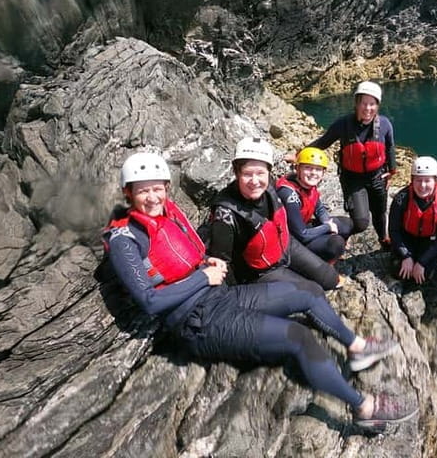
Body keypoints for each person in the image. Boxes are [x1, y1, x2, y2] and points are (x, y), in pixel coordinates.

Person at [103, 151, 418, 431]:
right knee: (299, 337)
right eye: (144, 191)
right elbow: (149, 301)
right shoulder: (126, 240)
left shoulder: (167, 213)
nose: (153, 197)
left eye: (158, 188)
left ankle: (357, 346)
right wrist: (204, 278)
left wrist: (207, 263)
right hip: (196, 324)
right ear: (128, 193)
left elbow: (185, 250)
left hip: (219, 297)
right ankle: (364, 408)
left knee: (307, 294)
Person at [203, 137, 339, 290]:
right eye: (247, 174)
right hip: (259, 272)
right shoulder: (225, 214)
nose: (255, 181)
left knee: (330, 279)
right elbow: (221, 265)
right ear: (236, 172)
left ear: (269, 171)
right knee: (313, 291)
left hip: (285, 246)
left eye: (260, 173)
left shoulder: (270, 185)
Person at [307, 81, 396, 249]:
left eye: (372, 104)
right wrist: (300, 155)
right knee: (361, 222)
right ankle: (336, 230)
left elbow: (390, 147)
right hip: (353, 179)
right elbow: (323, 142)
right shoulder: (343, 125)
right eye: (364, 103)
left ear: (377, 106)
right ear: (357, 103)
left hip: (377, 176)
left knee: (380, 212)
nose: (368, 108)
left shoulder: (384, 124)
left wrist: (392, 170)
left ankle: (383, 238)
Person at [276, 146, 354, 263]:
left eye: (318, 169)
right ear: (298, 169)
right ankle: (324, 267)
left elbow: (319, 209)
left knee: (347, 224)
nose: (313, 173)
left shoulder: (308, 186)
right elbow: (302, 235)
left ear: (323, 172)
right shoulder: (289, 193)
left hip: (304, 227)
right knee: (336, 244)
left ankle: (329, 255)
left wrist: (327, 222)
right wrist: (327, 228)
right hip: (292, 239)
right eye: (308, 168)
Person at [388, 156, 437, 283]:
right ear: (412, 180)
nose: (422, 186)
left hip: (430, 240)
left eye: (427, 181)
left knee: (427, 277)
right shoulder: (402, 198)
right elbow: (394, 230)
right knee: (399, 271)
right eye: (418, 180)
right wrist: (405, 256)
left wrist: (422, 262)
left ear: (435, 181)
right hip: (407, 238)